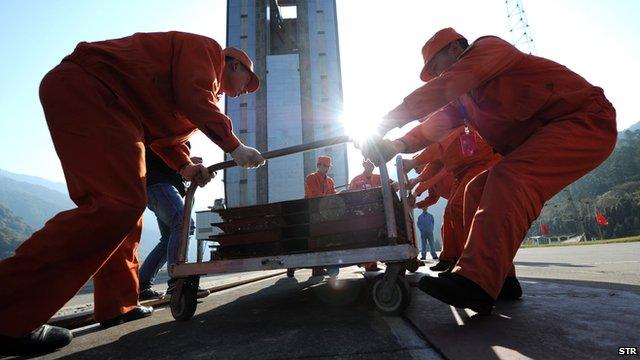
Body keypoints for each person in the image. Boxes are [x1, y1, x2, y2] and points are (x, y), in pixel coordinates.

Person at [0, 31, 265, 356]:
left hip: (109, 104)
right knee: (117, 205)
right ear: (233, 63)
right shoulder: (207, 53)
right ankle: (7, 311)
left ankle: (117, 303)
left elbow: (164, 138)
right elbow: (193, 97)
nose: (241, 94)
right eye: (245, 83)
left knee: (125, 209)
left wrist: (184, 167)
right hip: (93, 90)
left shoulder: (190, 88)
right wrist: (234, 147)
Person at [362, 27, 616, 314]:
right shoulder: (463, 99)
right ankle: (501, 280)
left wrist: (385, 121)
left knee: (509, 177)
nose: (437, 77)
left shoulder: (490, 50)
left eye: (436, 68)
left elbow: (443, 88)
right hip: (547, 134)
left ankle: (476, 283)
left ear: (455, 50)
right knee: (476, 190)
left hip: (584, 120)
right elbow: (432, 128)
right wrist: (397, 144)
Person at [137, 143, 208, 300]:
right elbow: (156, 152)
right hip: (159, 184)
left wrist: (186, 164)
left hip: (158, 186)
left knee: (169, 238)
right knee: (184, 225)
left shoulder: (176, 129)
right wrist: (185, 163)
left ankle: (141, 285)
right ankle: (178, 282)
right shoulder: (163, 126)